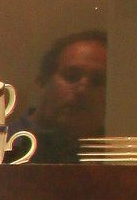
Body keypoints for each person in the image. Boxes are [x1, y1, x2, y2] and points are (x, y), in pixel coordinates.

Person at [21, 28, 107, 162]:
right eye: (71, 76)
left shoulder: (117, 152)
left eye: (97, 81)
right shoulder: (3, 145)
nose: (82, 90)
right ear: (43, 82)